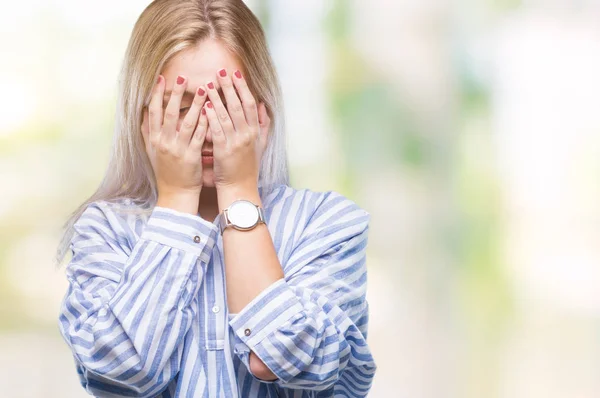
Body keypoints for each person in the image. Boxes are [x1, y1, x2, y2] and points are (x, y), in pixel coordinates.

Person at [55, 0, 377, 396]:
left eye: (227, 105)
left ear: (263, 108)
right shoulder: (105, 230)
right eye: (183, 108)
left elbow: (281, 358)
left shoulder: (327, 224)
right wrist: (177, 196)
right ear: (142, 116)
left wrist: (239, 191)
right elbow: (124, 372)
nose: (208, 129)